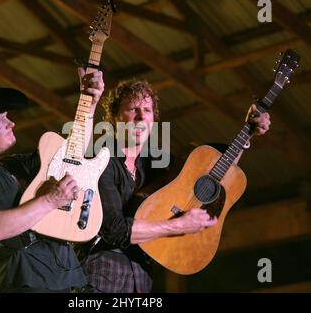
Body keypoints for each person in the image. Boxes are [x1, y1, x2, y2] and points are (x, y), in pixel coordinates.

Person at [81, 79, 271, 293]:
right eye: (133, 109)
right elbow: (114, 230)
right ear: (115, 117)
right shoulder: (100, 161)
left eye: (147, 110)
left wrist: (247, 134)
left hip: (141, 279)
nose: (142, 117)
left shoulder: (157, 163)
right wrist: (179, 225)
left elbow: (215, 170)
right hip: (101, 274)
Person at [0, 68, 104, 293]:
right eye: (1, 119)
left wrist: (89, 105)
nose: (11, 123)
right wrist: (51, 200)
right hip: (26, 280)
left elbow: (72, 157)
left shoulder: (14, 165)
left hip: (70, 277)